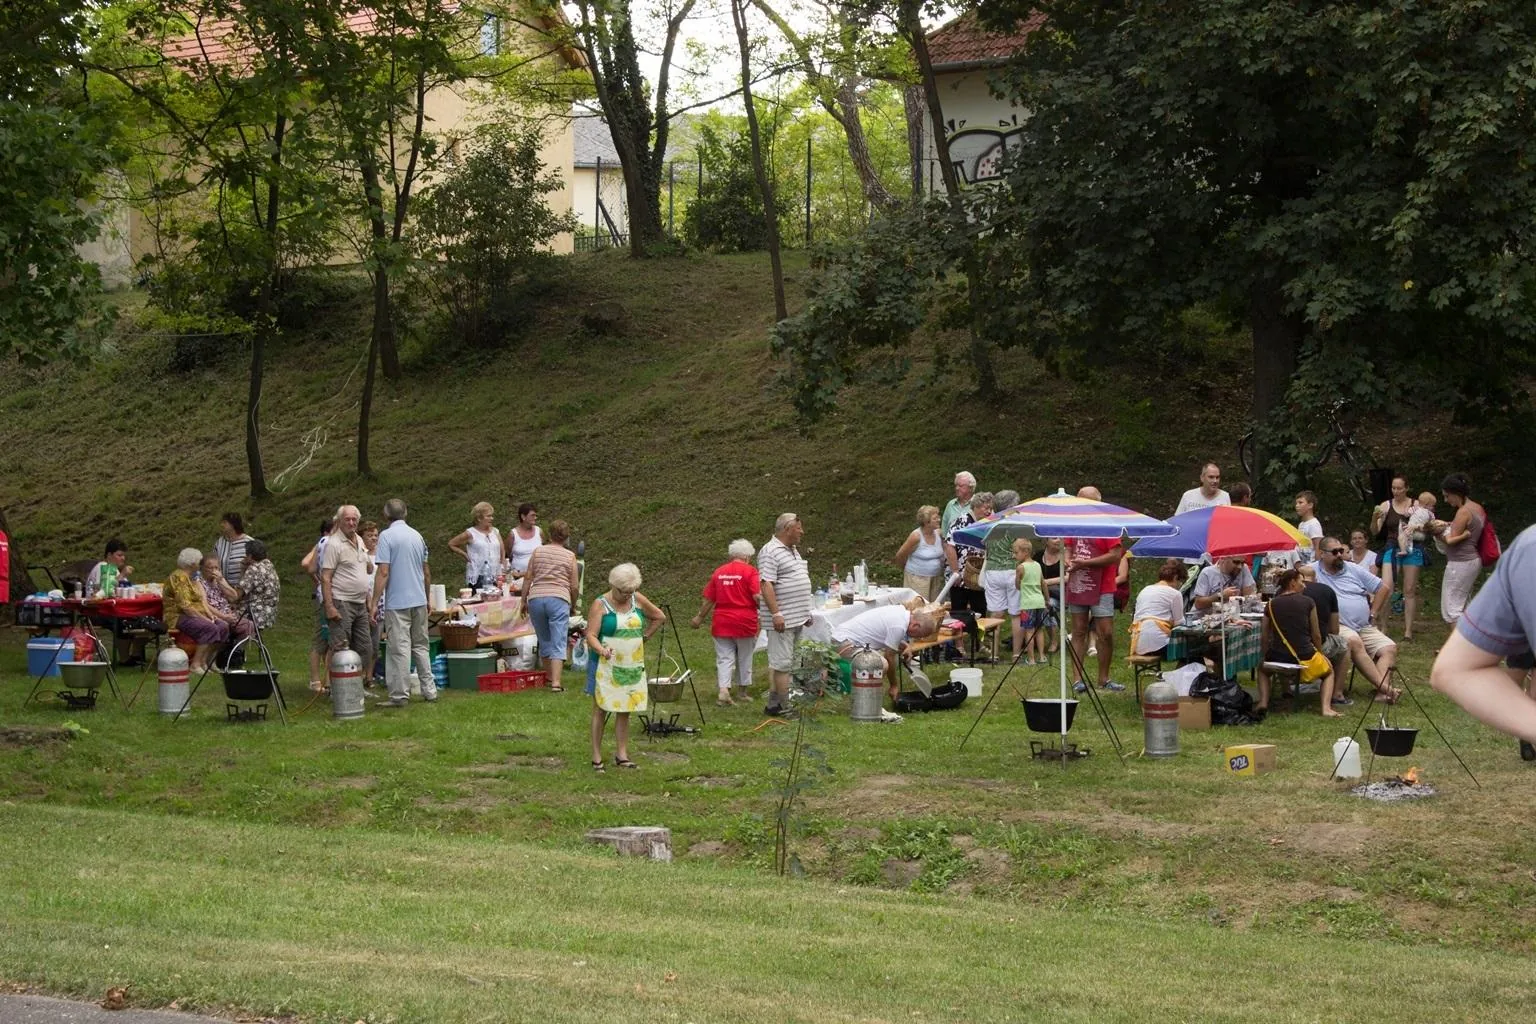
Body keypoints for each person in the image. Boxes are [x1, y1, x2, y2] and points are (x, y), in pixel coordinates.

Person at [1430, 525, 1536, 755]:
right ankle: (1525, 739)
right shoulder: (1529, 552)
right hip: (1518, 644)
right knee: (1518, 675)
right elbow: (1456, 669)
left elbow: (1455, 669)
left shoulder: (1529, 547)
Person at [585, 563, 666, 772]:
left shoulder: (637, 599)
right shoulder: (600, 604)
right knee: (601, 708)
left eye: (631, 591)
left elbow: (659, 617)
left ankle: (622, 754)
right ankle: (596, 756)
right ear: (613, 586)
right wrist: (601, 650)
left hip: (630, 662)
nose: (627, 596)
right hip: (605, 663)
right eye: (624, 592)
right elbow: (591, 635)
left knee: (625, 708)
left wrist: (645, 636)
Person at [1311, 537, 1400, 702]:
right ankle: (1387, 689)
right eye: (1335, 552)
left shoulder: (1352, 569)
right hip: (1337, 626)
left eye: (1341, 551)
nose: (1340, 555)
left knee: (1389, 647)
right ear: (1322, 554)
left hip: (1363, 625)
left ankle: (1381, 693)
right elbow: (1293, 580)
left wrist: (1373, 613)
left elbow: (1383, 588)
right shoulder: (1312, 571)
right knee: (1353, 641)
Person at [371, 498, 437, 707]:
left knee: (399, 648)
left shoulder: (386, 536)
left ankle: (399, 694)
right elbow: (426, 571)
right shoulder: (417, 536)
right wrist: (427, 598)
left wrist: (374, 602)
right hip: (418, 599)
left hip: (397, 601)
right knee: (421, 646)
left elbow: (383, 572)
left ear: (385, 515)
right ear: (405, 513)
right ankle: (429, 690)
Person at [1065, 486, 1125, 693]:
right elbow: (1068, 547)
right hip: (1079, 582)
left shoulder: (1108, 523)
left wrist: (1086, 563)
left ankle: (1104, 678)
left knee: (1105, 633)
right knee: (1079, 630)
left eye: (1087, 501)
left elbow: (1115, 555)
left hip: (1103, 585)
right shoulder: (1074, 522)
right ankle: (1077, 679)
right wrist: (1068, 561)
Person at [1258, 569, 1338, 717]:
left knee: (1262, 670)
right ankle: (1326, 708)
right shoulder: (1308, 602)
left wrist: (1264, 656)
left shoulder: (1270, 605)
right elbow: (1316, 634)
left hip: (1277, 657)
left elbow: (1264, 636)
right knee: (1329, 672)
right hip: (1305, 655)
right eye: (1302, 581)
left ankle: (1263, 702)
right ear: (1293, 583)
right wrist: (1320, 655)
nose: (1305, 586)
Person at [691, 539, 761, 705]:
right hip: (745, 621)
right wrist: (769, 610)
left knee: (724, 658)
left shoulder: (719, 572)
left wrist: (699, 617)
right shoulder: (751, 572)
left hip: (721, 621)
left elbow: (709, 599)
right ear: (747, 557)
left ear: (732, 555)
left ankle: (723, 691)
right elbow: (757, 596)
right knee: (745, 656)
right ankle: (742, 692)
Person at [758, 512, 813, 717]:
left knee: (789, 662)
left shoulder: (793, 550)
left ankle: (773, 704)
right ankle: (787, 708)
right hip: (783, 619)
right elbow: (766, 584)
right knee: (782, 665)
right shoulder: (770, 551)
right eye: (799, 528)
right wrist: (776, 614)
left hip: (797, 617)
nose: (802, 532)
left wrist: (805, 612)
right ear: (788, 529)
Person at [517, 519, 580, 692]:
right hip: (558, 598)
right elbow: (574, 586)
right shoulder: (570, 556)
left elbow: (528, 577)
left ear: (549, 534)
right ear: (566, 537)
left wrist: (523, 600)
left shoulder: (538, 552)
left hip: (536, 598)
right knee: (558, 639)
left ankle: (549, 676)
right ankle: (556, 683)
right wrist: (573, 603)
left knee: (544, 639)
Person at [830, 605, 938, 702]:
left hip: (842, 636)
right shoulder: (899, 626)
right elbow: (889, 656)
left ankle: (866, 697)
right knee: (880, 664)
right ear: (915, 625)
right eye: (920, 635)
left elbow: (886, 634)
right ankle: (864, 702)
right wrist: (894, 686)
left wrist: (905, 645)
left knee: (881, 661)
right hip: (844, 642)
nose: (918, 638)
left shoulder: (900, 612)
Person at [1371, 476, 1426, 639]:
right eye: (1393, 488)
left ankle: (1408, 630)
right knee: (1386, 587)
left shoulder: (1416, 505)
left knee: (1409, 589)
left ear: (1406, 488)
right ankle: (1383, 627)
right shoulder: (1386, 505)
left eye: (1399, 488)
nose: (1396, 491)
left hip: (1412, 547)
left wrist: (1415, 527)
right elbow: (1375, 531)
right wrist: (1375, 518)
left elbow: (1426, 525)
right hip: (1391, 546)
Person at [320, 505, 375, 664]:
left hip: (360, 603)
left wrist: (369, 600)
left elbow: (366, 568)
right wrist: (330, 607)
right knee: (340, 648)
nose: (351, 523)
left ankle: (356, 686)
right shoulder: (334, 544)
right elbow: (325, 577)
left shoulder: (358, 539)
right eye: (347, 519)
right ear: (339, 521)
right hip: (341, 601)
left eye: (354, 519)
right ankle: (337, 688)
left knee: (365, 648)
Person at [1431, 472, 1487, 625]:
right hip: (1472, 560)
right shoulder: (1477, 507)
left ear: (1456, 494)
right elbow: (1465, 527)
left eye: (1447, 496)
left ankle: (1459, 646)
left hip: (1460, 562)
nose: (1446, 500)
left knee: (1452, 609)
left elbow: (1451, 540)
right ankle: (1472, 644)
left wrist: (1435, 532)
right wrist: (1448, 524)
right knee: (1463, 605)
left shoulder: (1463, 512)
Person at [163, 548, 229, 672]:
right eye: (199, 562)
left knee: (223, 626)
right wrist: (206, 619)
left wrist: (210, 616)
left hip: (195, 614)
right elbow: (186, 607)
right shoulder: (179, 578)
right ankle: (195, 664)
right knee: (210, 627)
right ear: (192, 564)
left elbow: (201, 601)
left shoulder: (191, 578)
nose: (200, 565)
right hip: (178, 616)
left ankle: (208, 661)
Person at [1302, 572, 1352, 707]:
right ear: (1315, 578)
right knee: (1344, 646)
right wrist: (1319, 652)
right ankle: (1337, 694)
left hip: (1283, 650)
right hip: (1311, 648)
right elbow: (1334, 629)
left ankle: (1286, 691)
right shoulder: (1326, 591)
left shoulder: (1280, 593)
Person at [945, 491, 994, 619]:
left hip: (979, 578)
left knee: (980, 612)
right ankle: (959, 638)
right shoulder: (961, 521)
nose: (989, 511)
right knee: (958, 613)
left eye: (990, 508)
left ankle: (978, 637)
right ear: (976, 507)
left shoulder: (989, 523)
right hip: (961, 577)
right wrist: (955, 571)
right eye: (986, 508)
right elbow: (950, 545)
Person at [300, 517, 334, 693]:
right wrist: (319, 582)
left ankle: (326, 681)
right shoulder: (325, 542)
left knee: (330, 641)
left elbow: (309, 566)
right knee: (322, 640)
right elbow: (306, 564)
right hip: (327, 598)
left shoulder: (324, 542)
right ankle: (316, 681)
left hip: (327, 595)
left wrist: (317, 581)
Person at [1129, 559, 1187, 661]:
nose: (1179, 585)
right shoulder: (1174, 593)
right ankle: (1185, 675)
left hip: (1138, 643)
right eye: (1180, 582)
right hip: (1160, 645)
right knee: (1195, 650)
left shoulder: (1145, 590)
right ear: (1175, 578)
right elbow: (1180, 624)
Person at [198, 554, 253, 646]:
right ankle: (222, 653)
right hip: (213, 616)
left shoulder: (218, 581)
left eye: (217, 568)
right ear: (202, 568)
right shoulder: (199, 583)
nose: (214, 571)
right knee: (223, 626)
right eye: (210, 568)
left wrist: (221, 581)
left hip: (228, 614)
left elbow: (234, 597)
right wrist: (224, 617)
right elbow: (205, 605)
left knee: (249, 625)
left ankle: (236, 652)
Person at [894, 505, 946, 602]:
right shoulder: (916, 536)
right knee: (919, 608)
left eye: (938, 517)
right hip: (917, 579)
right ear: (926, 522)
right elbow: (900, 556)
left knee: (933, 608)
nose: (939, 520)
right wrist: (909, 570)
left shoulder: (938, 533)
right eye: (935, 518)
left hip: (935, 578)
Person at [448, 502, 504, 591]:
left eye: (492, 516)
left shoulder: (495, 532)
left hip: (496, 574)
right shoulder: (471, 533)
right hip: (479, 576)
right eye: (488, 516)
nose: (491, 518)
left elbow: (502, 549)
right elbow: (452, 544)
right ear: (479, 518)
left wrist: (502, 566)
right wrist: (465, 555)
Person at [232, 539, 280, 632]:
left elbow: (236, 596)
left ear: (249, 556)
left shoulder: (254, 569)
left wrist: (242, 570)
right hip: (268, 614)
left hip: (253, 614)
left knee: (223, 615)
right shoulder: (269, 565)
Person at [1014, 538, 1048, 665]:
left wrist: (1018, 579)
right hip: (1039, 602)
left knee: (1029, 631)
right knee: (1039, 630)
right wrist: (1047, 599)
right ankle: (1042, 656)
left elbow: (1017, 586)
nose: (1014, 555)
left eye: (1016, 553)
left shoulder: (1020, 567)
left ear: (1026, 552)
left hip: (1027, 604)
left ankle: (1031, 659)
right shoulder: (1038, 565)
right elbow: (1043, 583)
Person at [1191, 555, 1257, 611]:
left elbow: (1249, 596)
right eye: (1236, 562)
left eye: (1242, 563)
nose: (1239, 566)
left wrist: (1250, 595)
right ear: (1223, 558)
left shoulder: (1243, 569)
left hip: (1232, 618)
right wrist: (1220, 596)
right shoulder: (1208, 572)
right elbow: (1198, 604)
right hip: (1204, 618)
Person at [506, 503, 545, 591]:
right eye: (532, 515)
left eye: (535, 515)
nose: (535, 518)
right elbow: (508, 554)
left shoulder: (539, 531)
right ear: (523, 517)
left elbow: (544, 550)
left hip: (538, 576)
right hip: (518, 578)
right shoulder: (513, 534)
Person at [214, 513, 255, 588]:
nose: (221, 525)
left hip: (243, 589)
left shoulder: (249, 542)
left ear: (232, 525)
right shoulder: (220, 542)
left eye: (224, 522)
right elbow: (214, 563)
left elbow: (256, 565)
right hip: (223, 589)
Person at [1039, 538, 1064, 654]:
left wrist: (1046, 582)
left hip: (1064, 595)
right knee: (1044, 605)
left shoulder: (1066, 555)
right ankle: (1050, 640)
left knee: (1049, 606)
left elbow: (1068, 577)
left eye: (1059, 537)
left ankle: (1054, 642)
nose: (1058, 540)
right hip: (1042, 595)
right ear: (1046, 541)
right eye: (1054, 538)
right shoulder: (1038, 556)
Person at [942, 471, 977, 536]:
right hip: (950, 544)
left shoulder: (979, 504)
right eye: (956, 485)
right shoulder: (951, 504)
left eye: (960, 486)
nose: (957, 488)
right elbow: (944, 531)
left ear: (970, 487)